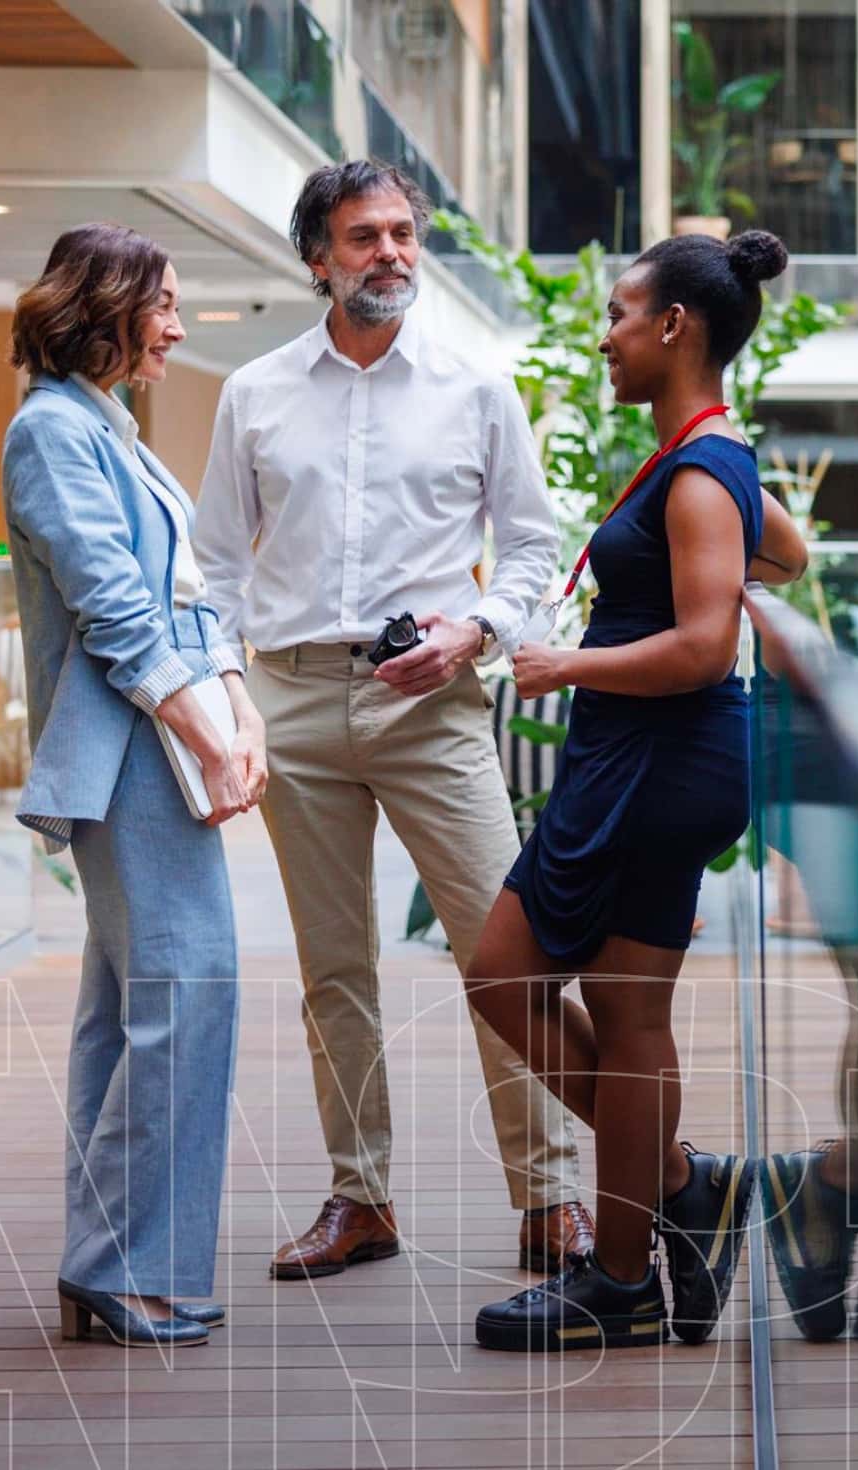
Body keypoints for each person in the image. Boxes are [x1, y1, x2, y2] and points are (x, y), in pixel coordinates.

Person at [192, 160, 592, 1282]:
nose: (392, 255)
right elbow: (215, 566)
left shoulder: (475, 388)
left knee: (504, 957)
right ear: (317, 257)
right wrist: (234, 699)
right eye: (363, 237)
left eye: (404, 234)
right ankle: (360, 1200)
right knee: (334, 971)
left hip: (437, 707)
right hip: (297, 697)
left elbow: (528, 549)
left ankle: (553, 1200)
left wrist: (476, 632)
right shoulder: (255, 393)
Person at [465, 228, 812, 1353]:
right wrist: (723, 484)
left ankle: (622, 1271)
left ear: (674, 328)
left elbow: (708, 645)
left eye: (621, 314)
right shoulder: (708, 454)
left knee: (508, 978)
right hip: (650, 761)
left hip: (659, 762)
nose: (605, 336)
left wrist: (566, 663)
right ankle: (674, 1190)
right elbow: (791, 558)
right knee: (615, 1012)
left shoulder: (702, 468)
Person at [2, 223, 265, 1348]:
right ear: (102, 306)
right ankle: (121, 1267)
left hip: (150, 749)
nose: (175, 323)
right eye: (161, 303)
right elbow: (116, 611)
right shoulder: (52, 432)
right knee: (184, 998)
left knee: (131, 1013)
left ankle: (112, 1262)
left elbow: (188, 591)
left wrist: (237, 701)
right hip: (128, 759)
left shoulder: (107, 426)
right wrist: (210, 736)